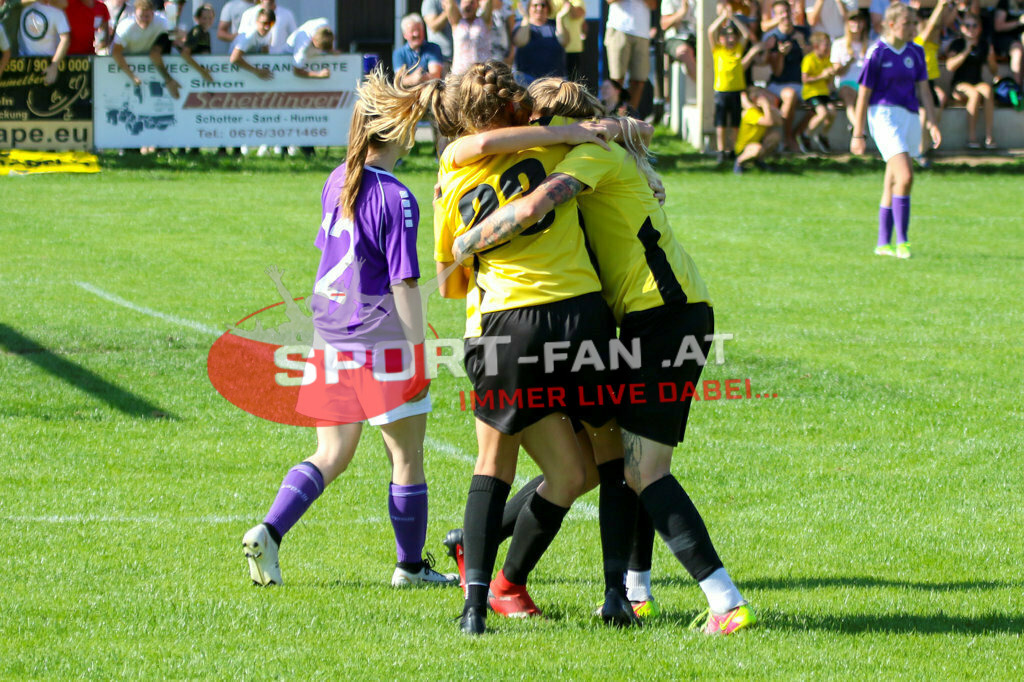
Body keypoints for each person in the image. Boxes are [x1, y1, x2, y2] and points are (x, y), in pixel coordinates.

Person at [450, 75, 759, 637]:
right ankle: (635, 591)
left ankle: (724, 601)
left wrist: (465, 244)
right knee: (624, 462)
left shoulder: (587, 154)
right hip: (648, 315)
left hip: (661, 315)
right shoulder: (598, 148)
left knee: (639, 468)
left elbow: (541, 201)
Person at [431, 61, 637, 635]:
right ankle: (616, 594)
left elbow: (449, 283)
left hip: (500, 326)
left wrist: (476, 246)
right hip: (576, 313)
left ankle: (476, 606)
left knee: (505, 463)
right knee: (606, 456)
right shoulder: (557, 153)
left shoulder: (450, 177)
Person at [242, 70, 459, 591]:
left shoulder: (338, 176)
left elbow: (333, 257)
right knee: (405, 456)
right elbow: (405, 283)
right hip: (379, 340)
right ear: (400, 130)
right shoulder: (398, 197)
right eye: (416, 122)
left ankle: (269, 531)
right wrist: (419, 352)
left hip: (330, 335)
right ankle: (409, 568)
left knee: (332, 454)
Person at [851, 1, 940, 260]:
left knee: (892, 181)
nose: (913, 28)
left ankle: (882, 243)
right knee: (906, 177)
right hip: (884, 116)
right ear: (891, 24)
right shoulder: (877, 52)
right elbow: (863, 95)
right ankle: (903, 242)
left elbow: (924, 90)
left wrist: (932, 121)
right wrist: (858, 133)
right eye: (907, 24)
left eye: (914, 23)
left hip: (910, 117)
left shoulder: (917, 51)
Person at [762, 0, 810, 151]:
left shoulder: (803, 32)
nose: (785, 16)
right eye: (780, 13)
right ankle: (786, 138)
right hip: (779, 83)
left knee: (821, 100)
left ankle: (797, 133)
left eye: (787, 12)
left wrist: (802, 45)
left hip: (802, 83)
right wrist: (781, 55)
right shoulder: (772, 37)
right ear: (775, 16)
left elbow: (813, 59)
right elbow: (776, 71)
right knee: (789, 96)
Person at [946, 12, 997, 150]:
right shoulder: (957, 44)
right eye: (967, 26)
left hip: (977, 82)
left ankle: (989, 136)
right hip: (959, 85)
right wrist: (966, 50)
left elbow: (993, 70)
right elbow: (950, 66)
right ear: (962, 28)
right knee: (974, 94)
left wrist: (991, 57)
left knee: (987, 90)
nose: (971, 29)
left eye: (974, 26)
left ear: (979, 29)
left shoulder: (983, 44)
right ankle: (971, 137)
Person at [709, 7, 751, 164]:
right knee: (720, 123)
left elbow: (746, 35)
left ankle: (732, 150)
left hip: (736, 91)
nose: (730, 40)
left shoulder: (738, 49)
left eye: (732, 36)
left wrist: (733, 19)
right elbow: (710, 31)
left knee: (734, 123)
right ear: (721, 39)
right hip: (721, 91)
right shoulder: (718, 51)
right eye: (726, 37)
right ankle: (721, 150)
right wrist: (723, 17)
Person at [110, 0, 178, 96]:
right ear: (135, 14)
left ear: (153, 14)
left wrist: (179, 35)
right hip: (123, 65)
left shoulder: (162, 22)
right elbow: (116, 53)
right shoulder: (125, 27)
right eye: (141, 16)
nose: (144, 20)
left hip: (146, 65)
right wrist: (132, 77)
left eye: (147, 16)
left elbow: (174, 37)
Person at [913, 0, 950, 162]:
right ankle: (919, 152)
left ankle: (925, 149)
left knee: (932, 117)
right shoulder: (918, 43)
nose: (935, 31)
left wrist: (949, 7)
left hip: (930, 83)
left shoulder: (933, 46)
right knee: (922, 118)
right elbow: (930, 27)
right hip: (919, 83)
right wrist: (940, 5)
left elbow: (938, 24)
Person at [606, 0, 658, 113]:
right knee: (616, 79)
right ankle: (610, 117)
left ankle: (629, 118)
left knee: (639, 80)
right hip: (619, 28)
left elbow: (653, 5)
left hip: (642, 33)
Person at [512, 0, 567, 84]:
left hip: (554, 80)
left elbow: (564, 41)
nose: (539, 8)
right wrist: (526, 19)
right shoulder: (521, 25)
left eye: (543, 5)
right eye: (535, 5)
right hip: (527, 79)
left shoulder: (555, 25)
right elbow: (520, 42)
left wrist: (559, 18)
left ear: (548, 8)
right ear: (529, 8)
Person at [832, 9, 869, 129]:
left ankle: (855, 126)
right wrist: (848, 63)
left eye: (859, 21)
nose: (856, 24)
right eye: (853, 21)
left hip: (865, 84)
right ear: (847, 23)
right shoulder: (839, 44)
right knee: (849, 99)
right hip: (846, 83)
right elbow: (836, 71)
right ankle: (859, 129)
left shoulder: (871, 44)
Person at [17, 0, 70, 85]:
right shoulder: (21, 6)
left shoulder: (57, 11)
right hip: (22, 65)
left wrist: (54, 66)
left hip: (47, 64)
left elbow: (65, 39)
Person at [801, 31, 836, 152]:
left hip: (823, 93)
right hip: (811, 93)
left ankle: (822, 135)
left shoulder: (827, 60)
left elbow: (827, 81)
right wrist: (822, 76)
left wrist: (831, 75)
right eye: (826, 45)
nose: (828, 48)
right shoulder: (809, 59)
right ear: (816, 46)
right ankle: (805, 135)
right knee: (822, 113)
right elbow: (805, 79)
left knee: (833, 112)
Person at [733, 86, 784, 172]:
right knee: (757, 148)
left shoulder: (762, 112)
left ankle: (759, 160)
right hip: (744, 148)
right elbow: (769, 122)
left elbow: (779, 122)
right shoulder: (750, 112)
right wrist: (766, 106)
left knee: (775, 136)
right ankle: (739, 161)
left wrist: (771, 108)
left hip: (756, 144)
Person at [393, 13, 444, 85]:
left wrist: (419, 77)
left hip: (430, 91)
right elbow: (400, 80)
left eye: (419, 30)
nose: (416, 34)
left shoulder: (434, 49)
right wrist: (414, 78)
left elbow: (436, 75)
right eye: (412, 31)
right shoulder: (399, 53)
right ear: (405, 35)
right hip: (407, 93)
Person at [446, 0, 491, 75]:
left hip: (481, 72)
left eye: (471, 2)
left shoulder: (484, 20)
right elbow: (449, 3)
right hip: (459, 73)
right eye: (464, 2)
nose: (468, 5)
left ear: (478, 5)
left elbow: (488, 2)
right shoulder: (457, 22)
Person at [229, 7, 273, 80]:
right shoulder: (250, 35)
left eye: (270, 23)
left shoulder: (268, 33)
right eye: (264, 23)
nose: (267, 27)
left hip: (249, 70)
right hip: (234, 70)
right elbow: (234, 59)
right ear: (257, 22)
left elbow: (265, 53)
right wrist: (257, 71)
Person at [662, 0, 697, 83]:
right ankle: (706, 89)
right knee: (684, 51)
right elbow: (664, 24)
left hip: (698, 37)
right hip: (676, 38)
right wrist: (682, 12)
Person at [550, 0, 585, 82]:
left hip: (572, 49)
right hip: (552, 48)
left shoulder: (577, 1)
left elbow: (576, 14)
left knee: (572, 83)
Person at [179, 2, 213, 84]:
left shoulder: (206, 33)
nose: (207, 21)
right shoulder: (197, 31)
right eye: (204, 18)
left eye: (210, 18)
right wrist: (202, 72)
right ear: (197, 19)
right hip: (193, 73)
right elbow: (185, 54)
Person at [992, 0, 1023, 88]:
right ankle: (1018, 89)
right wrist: (1019, 22)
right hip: (1005, 40)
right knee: (1018, 50)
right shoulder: (1005, 3)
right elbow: (998, 26)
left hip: (1021, 39)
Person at [421, 0, 452, 65]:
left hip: (461, 58)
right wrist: (449, 9)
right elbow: (433, 26)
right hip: (441, 59)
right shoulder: (430, 1)